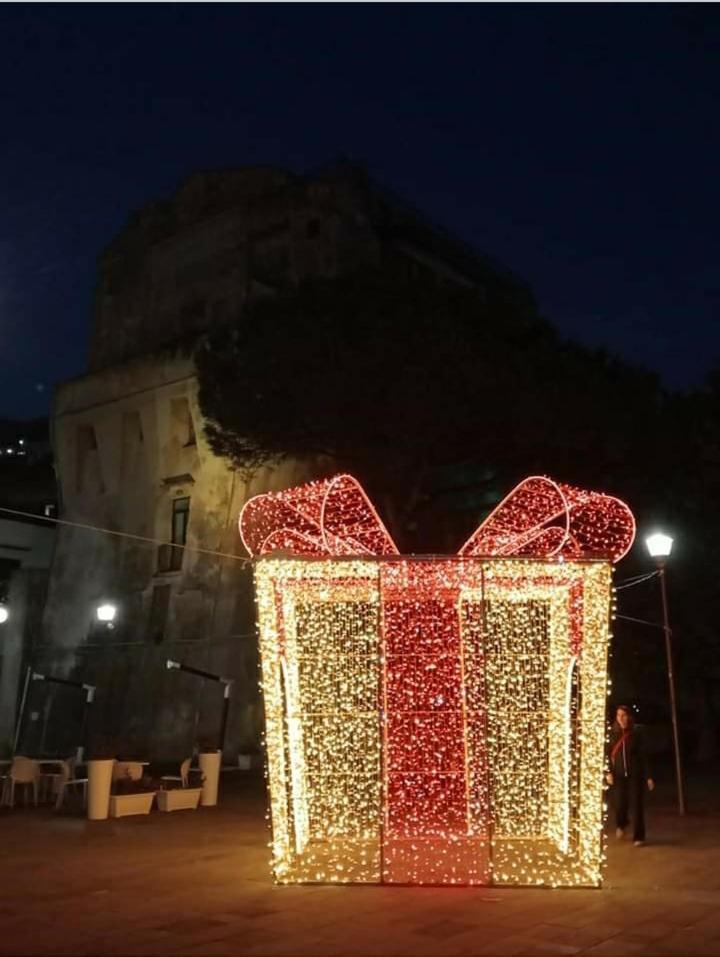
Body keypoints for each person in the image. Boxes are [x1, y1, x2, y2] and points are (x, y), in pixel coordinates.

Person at [606, 705, 655, 846]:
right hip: (619, 775)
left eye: (623, 715)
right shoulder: (613, 734)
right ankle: (621, 824)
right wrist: (609, 771)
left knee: (637, 805)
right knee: (620, 803)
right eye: (618, 715)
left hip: (635, 774)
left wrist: (648, 776)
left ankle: (639, 836)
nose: (621, 718)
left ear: (629, 717)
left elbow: (643, 756)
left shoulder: (636, 733)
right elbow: (607, 754)